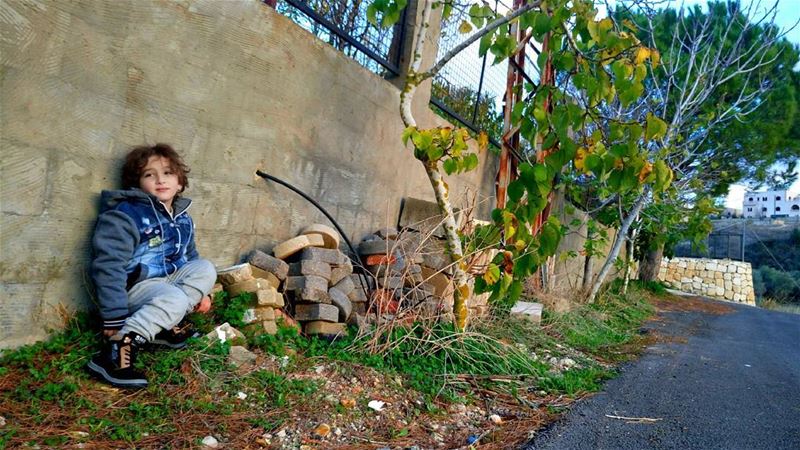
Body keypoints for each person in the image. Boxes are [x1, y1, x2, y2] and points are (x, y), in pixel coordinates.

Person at [86, 143, 216, 389]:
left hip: (167, 283)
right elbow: (108, 266)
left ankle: (162, 326)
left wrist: (204, 292)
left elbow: (190, 255)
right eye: (149, 174)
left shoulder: (183, 217)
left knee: (206, 268)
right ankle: (116, 351)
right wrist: (113, 316)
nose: (160, 180)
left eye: (168, 173)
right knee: (175, 299)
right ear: (137, 183)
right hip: (137, 287)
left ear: (179, 182)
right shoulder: (126, 215)